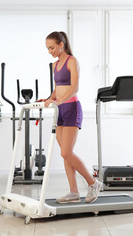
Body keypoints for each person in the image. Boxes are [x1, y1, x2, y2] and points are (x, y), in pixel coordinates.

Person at [41, 31, 102, 204]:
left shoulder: (72, 61)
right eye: (47, 48)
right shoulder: (54, 65)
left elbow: (74, 87)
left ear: (62, 44)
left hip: (71, 108)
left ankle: (93, 183)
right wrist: (49, 99)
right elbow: (57, 88)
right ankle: (73, 192)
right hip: (59, 109)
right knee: (65, 155)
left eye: (52, 47)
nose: (50, 51)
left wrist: (59, 101)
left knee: (66, 151)